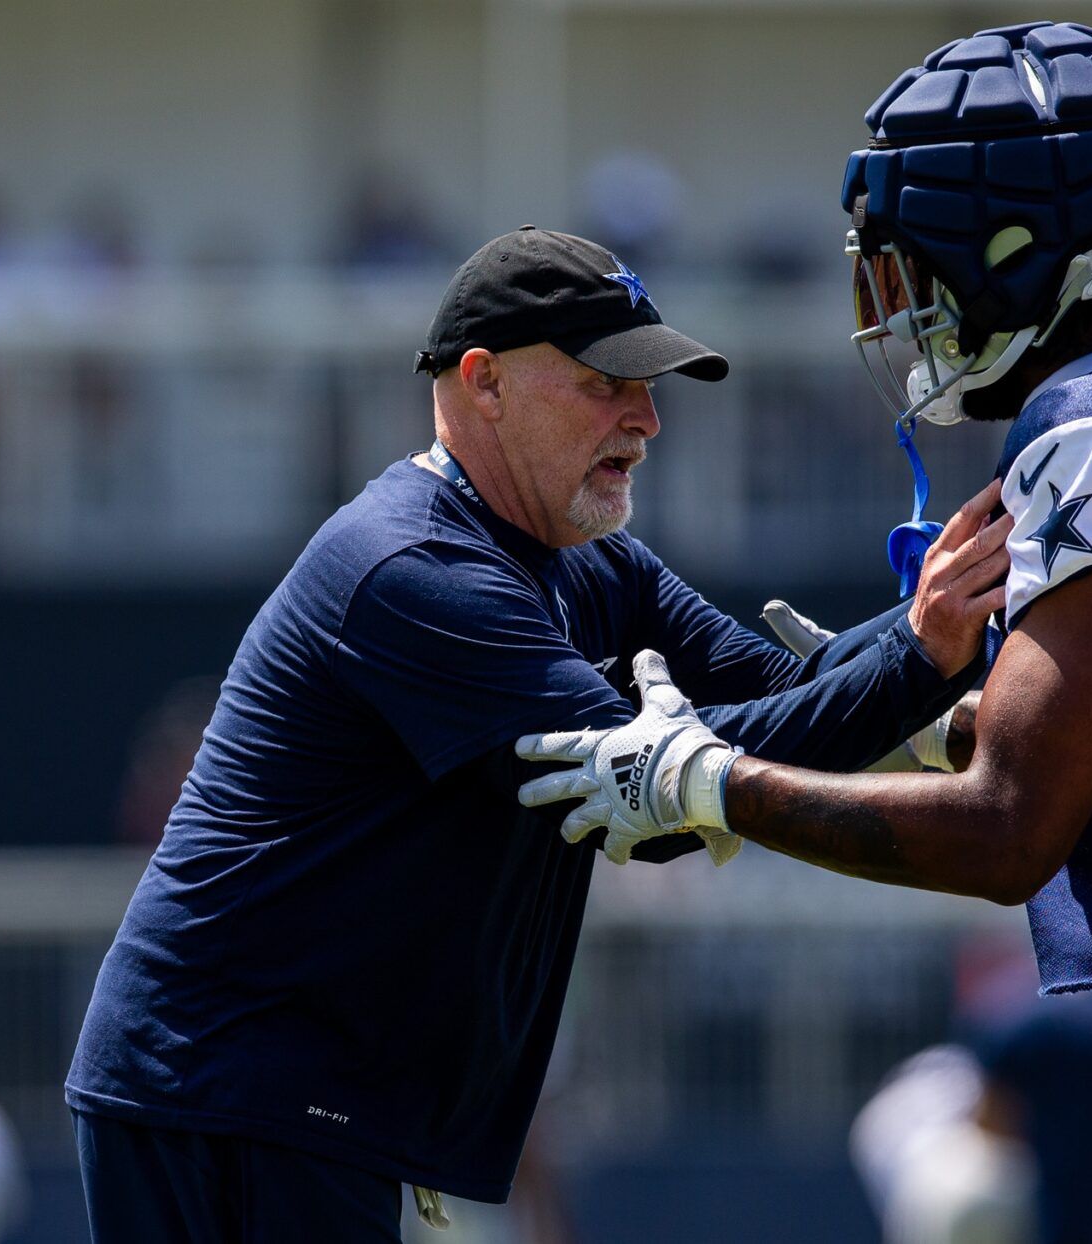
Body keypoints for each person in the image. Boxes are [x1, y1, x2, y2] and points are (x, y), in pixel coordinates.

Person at [517, 24, 1092, 1241]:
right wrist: (926, 719)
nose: (906, 294)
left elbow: (1009, 828)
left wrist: (712, 783)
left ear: (1015, 239)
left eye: (924, 251)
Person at [64, 226, 1004, 1242]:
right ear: (485, 381)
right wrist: (921, 655)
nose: (646, 420)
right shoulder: (415, 568)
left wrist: (953, 629)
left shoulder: (586, 559)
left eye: (651, 387)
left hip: (295, 1099)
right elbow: (661, 793)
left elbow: (784, 688)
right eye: (608, 382)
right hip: (225, 1090)